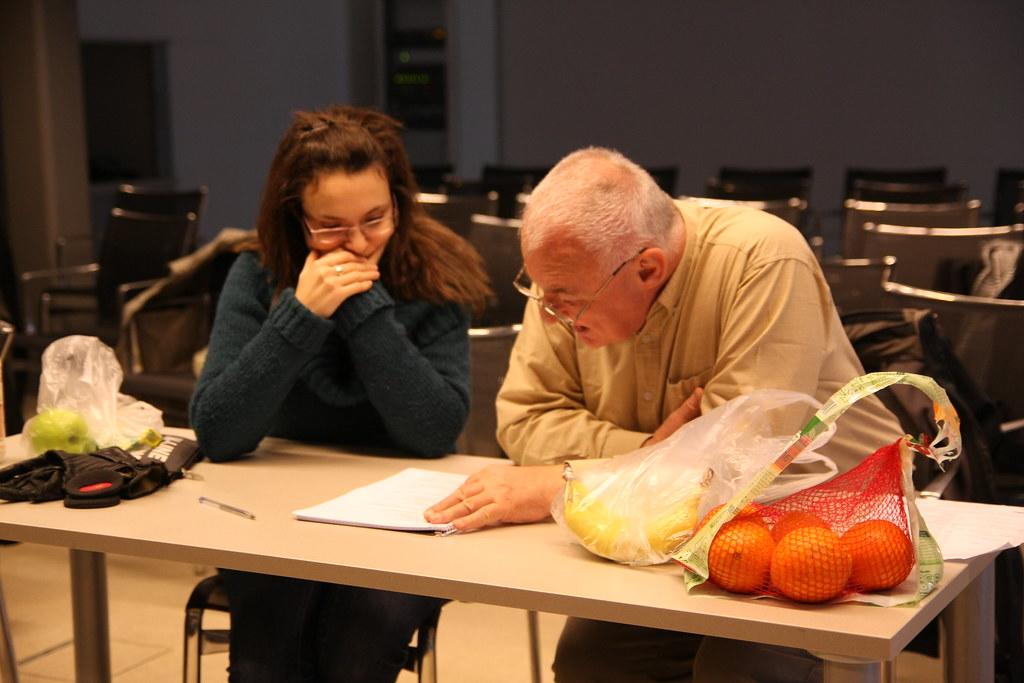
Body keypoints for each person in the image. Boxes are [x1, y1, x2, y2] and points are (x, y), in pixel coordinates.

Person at [426, 147, 903, 682]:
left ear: (648, 268)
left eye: (563, 299)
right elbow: (523, 420)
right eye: (538, 290)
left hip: (820, 522)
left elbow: (742, 469)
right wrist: (654, 452)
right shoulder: (570, 279)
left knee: (735, 671)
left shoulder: (762, 259)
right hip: (666, 537)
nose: (547, 312)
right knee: (592, 666)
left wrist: (566, 481)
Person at [190, 105, 491, 682]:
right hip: (274, 516)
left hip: (398, 526)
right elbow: (219, 432)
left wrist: (361, 308)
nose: (356, 245)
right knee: (268, 657)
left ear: (399, 202)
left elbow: (433, 433)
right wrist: (301, 315)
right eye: (330, 226)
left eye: (375, 219)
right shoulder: (257, 273)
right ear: (295, 219)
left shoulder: (438, 274)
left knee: (359, 640)